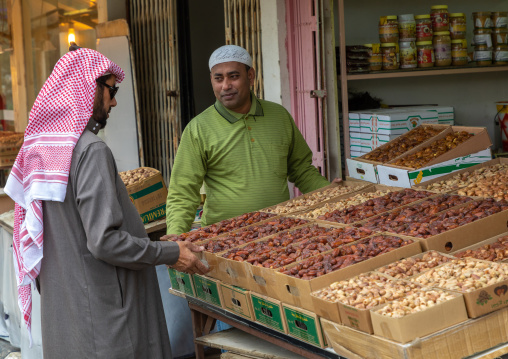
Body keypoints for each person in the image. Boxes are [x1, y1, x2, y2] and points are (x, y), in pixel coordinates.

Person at [5, 48, 207, 359]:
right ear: (87, 87)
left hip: (70, 322)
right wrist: (170, 253)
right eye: (111, 90)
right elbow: (105, 242)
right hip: (108, 324)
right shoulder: (90, 151)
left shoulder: (42, 151)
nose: (113, 101)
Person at [165, 44, 335, 235]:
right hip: (223, 238)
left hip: (279, 233)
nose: (226, 85)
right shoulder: (198, 129)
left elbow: (301, 169)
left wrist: (333, 195)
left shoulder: (279, 116)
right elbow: (182, 193)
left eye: (234, 76)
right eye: (218, 78)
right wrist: (175, 240)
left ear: (251, 76)